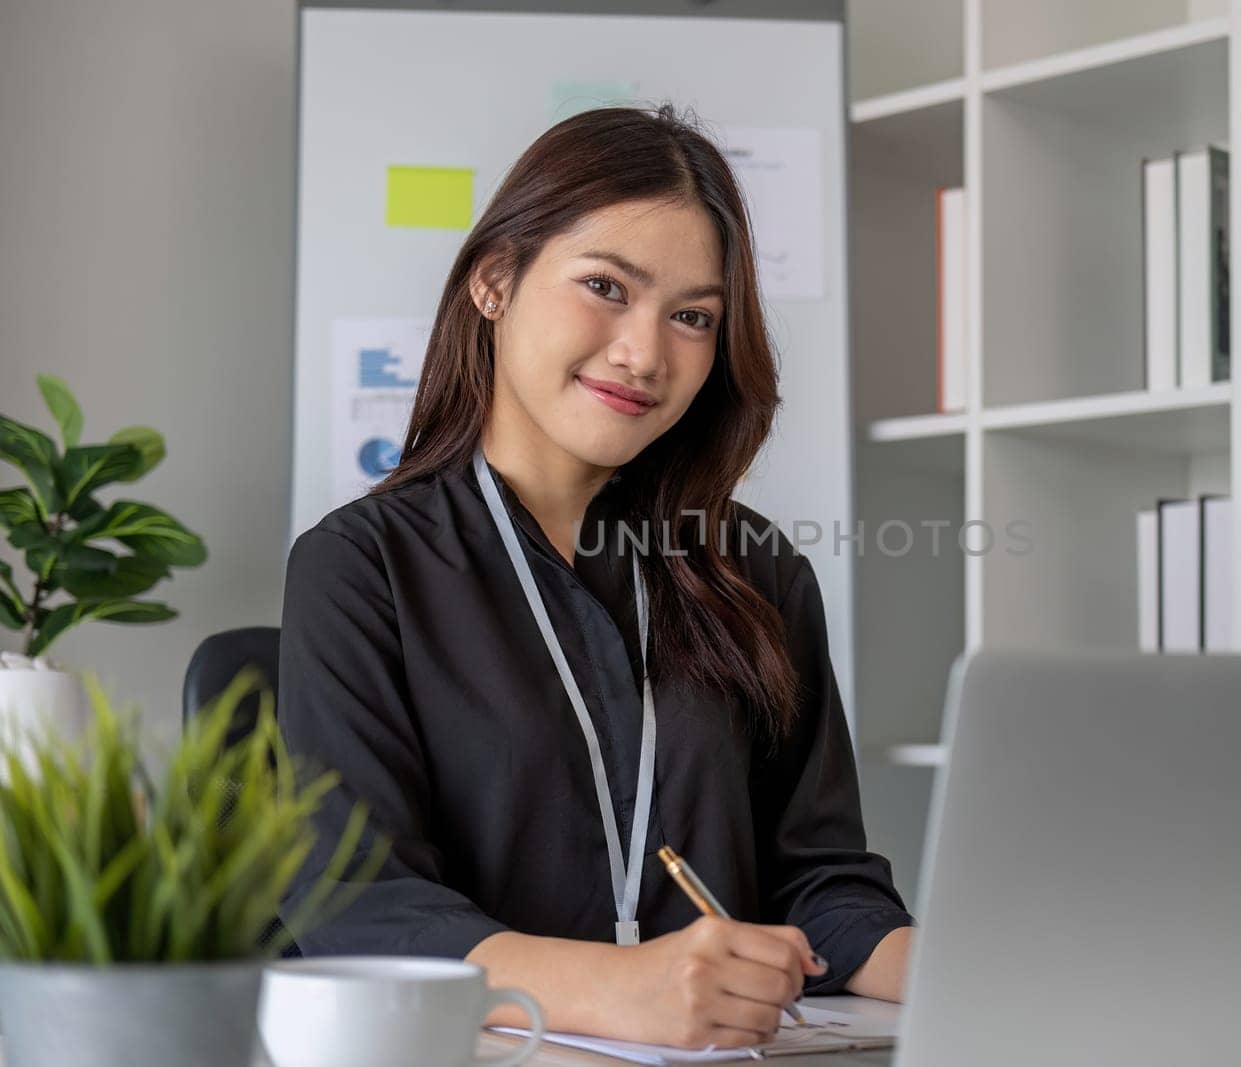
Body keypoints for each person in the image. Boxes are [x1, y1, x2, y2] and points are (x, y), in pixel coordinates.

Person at [276, 102, 915, 1050]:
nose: (646, 353)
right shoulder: (362, 566)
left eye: (692, 316)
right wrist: (618, 986)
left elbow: (819, 879)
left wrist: (973, 967)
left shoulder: (757, 571)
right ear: (495, 280)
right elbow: (358, 901)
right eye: (607, 287)